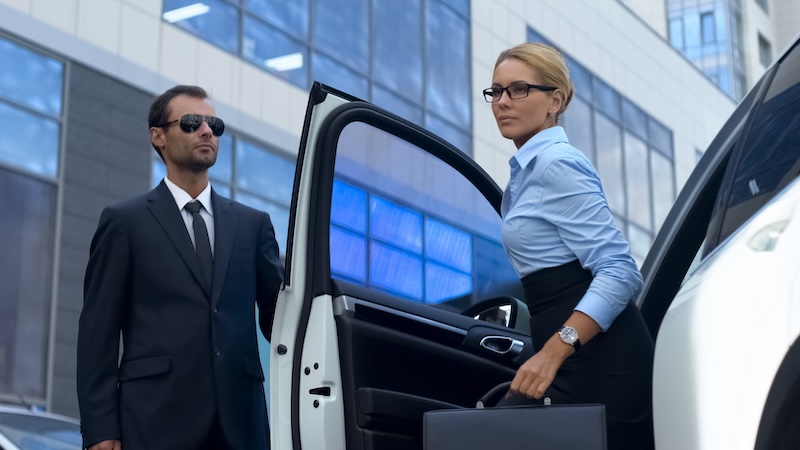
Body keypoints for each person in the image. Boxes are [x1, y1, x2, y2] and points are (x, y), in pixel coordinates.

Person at [77, 85, 284, 450]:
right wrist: (101, 429)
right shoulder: (124, 223)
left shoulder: (254, 225)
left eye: (214, 125)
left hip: (241, 425)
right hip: (154, 422)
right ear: (158, 136)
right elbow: (98, 335)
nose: (207, 131)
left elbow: (281, 320)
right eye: (192, 123)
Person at [485, 43, 655, 449]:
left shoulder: (556, 164)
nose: (503, 102)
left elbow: (619, 269)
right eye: (497, 91)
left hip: (601, 364)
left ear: (554, 101)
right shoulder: (526, 173)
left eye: (519, 89)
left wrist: (553, 351)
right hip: (571, 356)